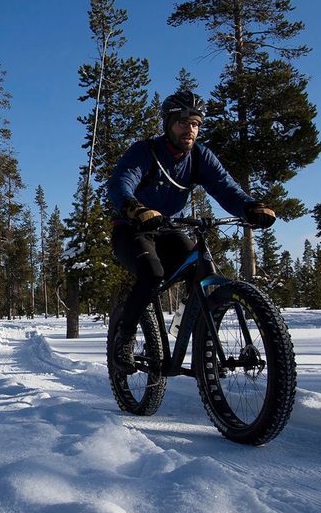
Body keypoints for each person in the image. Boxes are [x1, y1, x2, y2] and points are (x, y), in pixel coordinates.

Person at [106, 90, 275, 373]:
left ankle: (197, 344)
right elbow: (121, 182)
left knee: (197, 270)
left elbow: (225, 186)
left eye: (196, 123)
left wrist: (250, 207)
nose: (190, 129)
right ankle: (124, 338)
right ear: (168, 124)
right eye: (183, 122)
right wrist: (135, 208)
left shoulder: (199, 157)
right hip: (132, 228)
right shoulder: (145, 151)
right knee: (153, 273)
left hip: (168, 227)